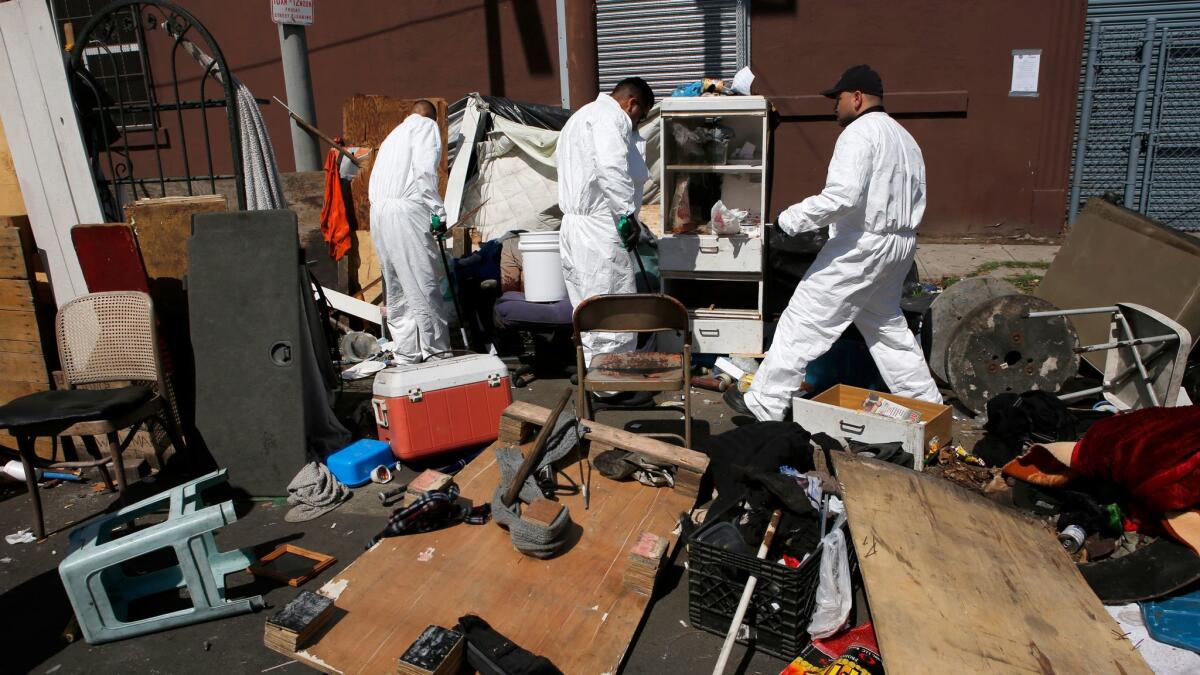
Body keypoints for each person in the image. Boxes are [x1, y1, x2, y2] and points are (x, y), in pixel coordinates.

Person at [726, 65, 942, 422]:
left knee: (803, 319)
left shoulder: (858, 134)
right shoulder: (905, 139)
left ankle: (765, 403)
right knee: (888, 329)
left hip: (862, 245)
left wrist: (787, 221)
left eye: (837, 98)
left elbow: (842, 197)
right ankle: (929, 408)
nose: (833, 106)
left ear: (857, 98)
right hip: (900, 244)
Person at [555, 77, 655, 368]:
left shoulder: (579, 118)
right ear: (631, 103)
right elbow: (610, 166)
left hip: (574, 226)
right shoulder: (611, 117)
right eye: (642, 114)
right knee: (613, 304)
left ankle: (595, 374)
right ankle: (613, 384)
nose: (638, 122)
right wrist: (626, 214)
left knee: (587, 306)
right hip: (600, 227)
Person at [368, 100, 451, 364]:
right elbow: (424, 172)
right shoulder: (425, 126)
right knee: (422, 280)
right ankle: (436, 352)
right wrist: (438, 211)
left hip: (380, 212)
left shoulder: (394, 135)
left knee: (397, 286)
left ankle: (406, 352)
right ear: (432, 118)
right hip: (405, 211)